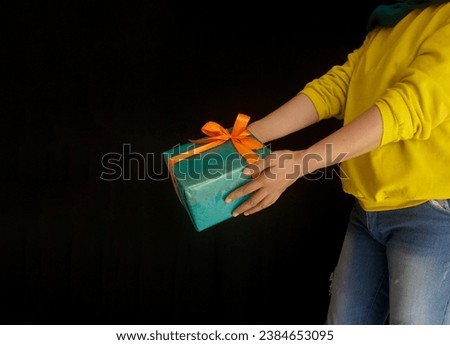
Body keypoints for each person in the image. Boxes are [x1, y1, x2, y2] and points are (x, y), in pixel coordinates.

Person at [224, 0, 450, 325]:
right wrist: (248, 136)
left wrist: (302, 163)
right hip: (368, 210)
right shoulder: (398, 15)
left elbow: (405, 108)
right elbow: (344, 83)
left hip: (431, 217)